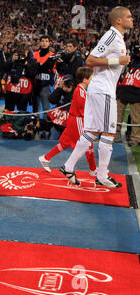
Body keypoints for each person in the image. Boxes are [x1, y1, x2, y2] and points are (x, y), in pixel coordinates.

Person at [60, 6, 134, 188]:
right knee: (108, 132)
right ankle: (102, 175)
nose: (132, 19)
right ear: (118, 20)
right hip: (104, 91)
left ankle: (68, 166)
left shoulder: (117, 38)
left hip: (98, 89)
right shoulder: (111, 36)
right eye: (129, 17)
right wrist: (119, 61)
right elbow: (90, 60)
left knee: (92, 131)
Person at [39, 67, 97, 174]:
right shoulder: (80, 91)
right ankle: (92, 169)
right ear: (85, 79)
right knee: (88, 143)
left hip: (73, 120)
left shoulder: (80, 90)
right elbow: (84, 108)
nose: (93, 79)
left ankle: (46, 158)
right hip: (78, 120)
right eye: (91, 77)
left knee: (65, 142)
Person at [116, 45, 140, 146]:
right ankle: (115, 134)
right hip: (125, 88)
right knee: (117, 114)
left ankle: (135, 138)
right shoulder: (132, 59)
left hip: (137, 91)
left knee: (136, 117)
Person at [33, 35, 55, 113]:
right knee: (35, 107)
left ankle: (46, 124)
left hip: (46, 83)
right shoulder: (34, 54)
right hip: (35, 83)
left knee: (46, 107)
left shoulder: (52, 55)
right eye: (42, 41)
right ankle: (36, 123)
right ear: (40, 42)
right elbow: (33, 67)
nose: (44, 43)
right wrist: (42, 65)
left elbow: (47, 67)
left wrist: (39, 65)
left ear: (49, 43)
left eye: (46, 41)